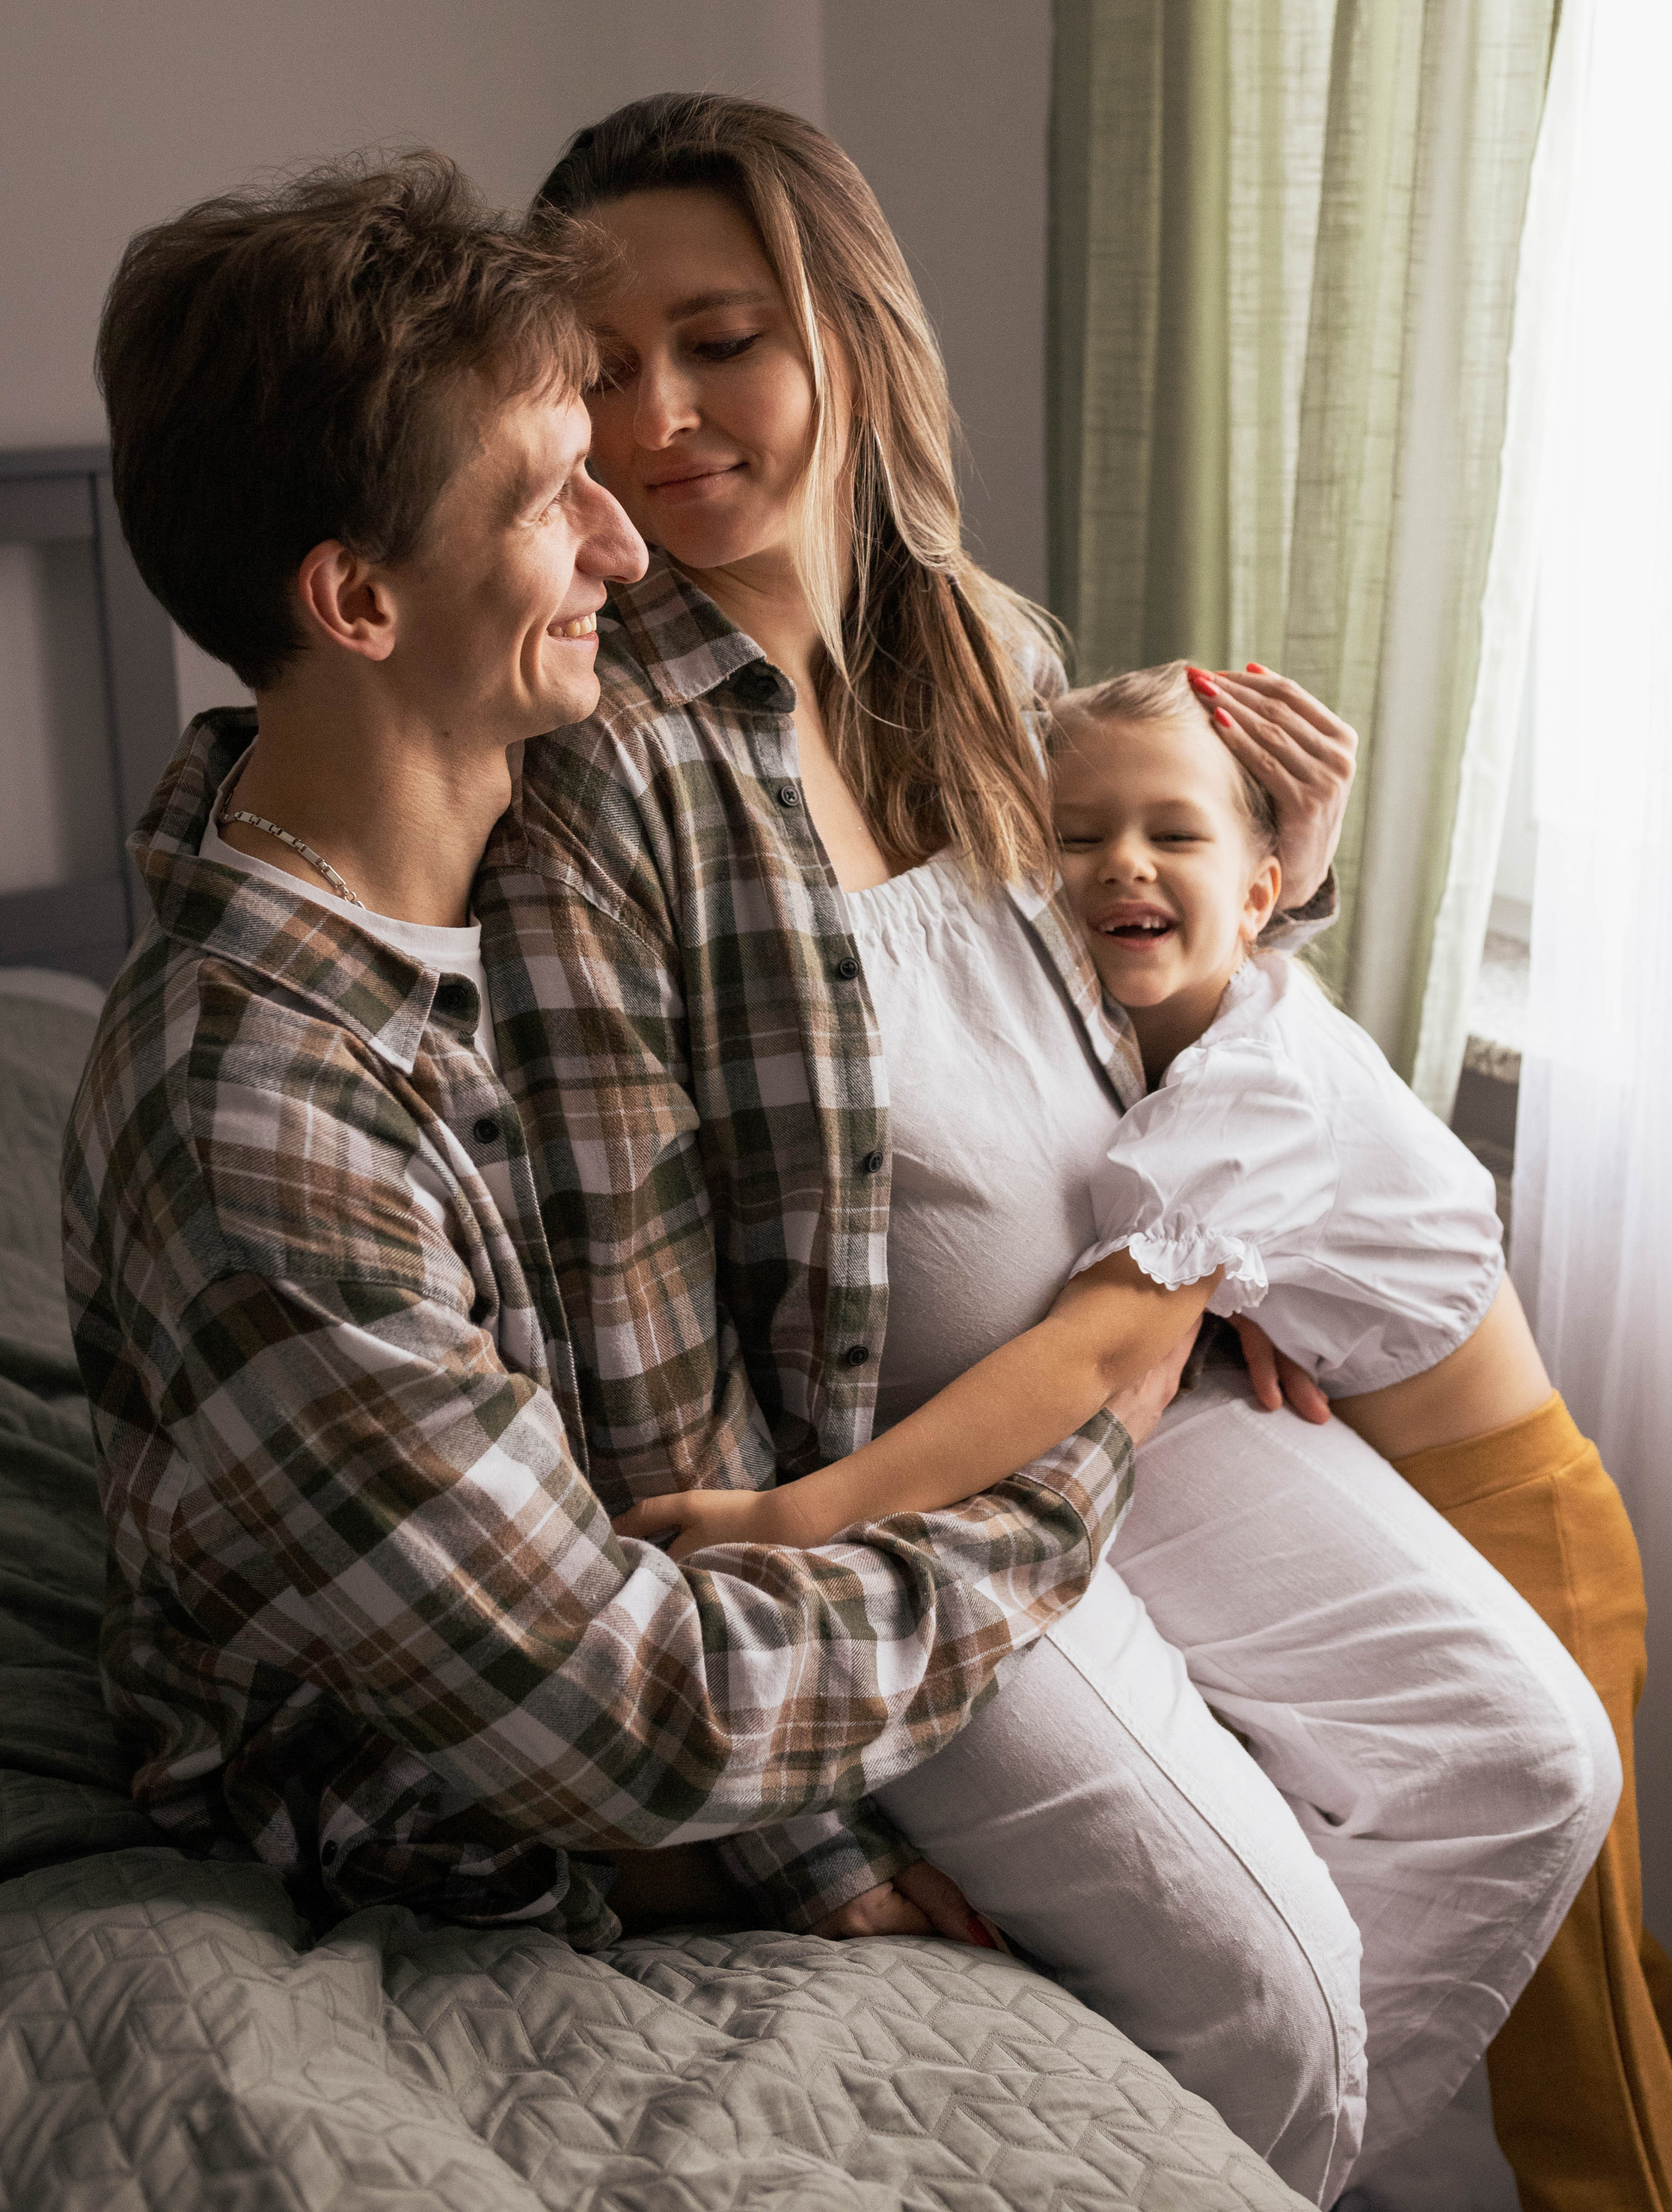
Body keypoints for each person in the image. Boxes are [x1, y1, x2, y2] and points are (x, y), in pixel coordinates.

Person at [477, 91, 1623, 2204]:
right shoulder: (597, 764)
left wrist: (1226, 1216)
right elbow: (638, 1343)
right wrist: (794, 1827)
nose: (659, 414)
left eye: (720, 340)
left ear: (843, 334)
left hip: (1135, 1387)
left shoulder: (990, 656)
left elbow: (1116, 1006)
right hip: (895, 1494)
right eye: (601, 367)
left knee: (1526, 1757)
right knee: (1267, 1999)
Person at [64, 154, 1162, 1961]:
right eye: (546, 499)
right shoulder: (261, 1123)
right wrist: (1081, 1460)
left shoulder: (521, 911)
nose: (627, 544)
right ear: (356, 602)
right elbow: (639, 1723)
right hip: (469, 1842)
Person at [643, 657, 1672, 2212]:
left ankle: (1253, 2189)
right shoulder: (1150, 1031)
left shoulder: (1252, 1074)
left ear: (1260, 889)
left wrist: (811, 1513)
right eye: (1074, 838)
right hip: (1398, 1460)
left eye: (1168, 838)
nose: (1117, 864)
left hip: (1509, 1505)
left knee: (1570, 2015)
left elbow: (1103, 1333)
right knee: (1588, 1966)